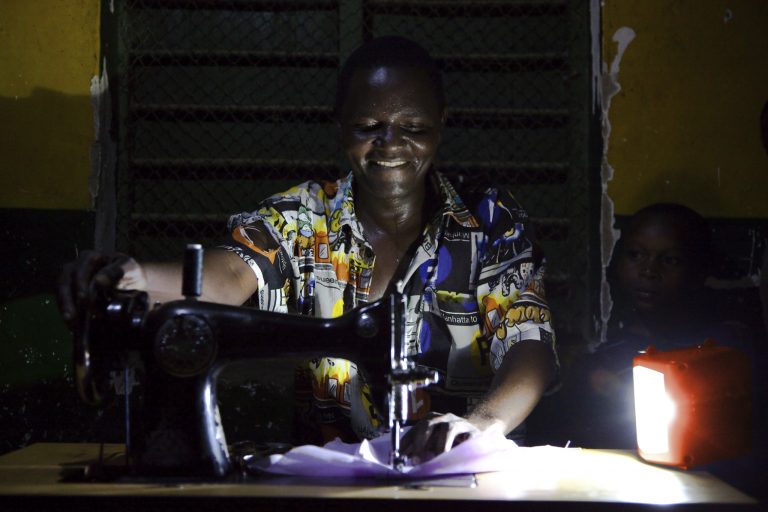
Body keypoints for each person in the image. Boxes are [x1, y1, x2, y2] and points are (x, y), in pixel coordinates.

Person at [57, 36, 557, 462]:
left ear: (441, 125)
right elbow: (231, 275)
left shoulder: (490, 222)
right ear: (340, 126)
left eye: (414, 128)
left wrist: (483, 426)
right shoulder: (301, 219)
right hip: (331, 487)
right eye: (368, 127)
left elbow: (530, 342)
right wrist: (138, 277)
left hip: (464, 480)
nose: (390, 144)